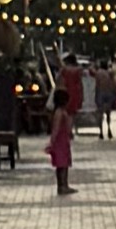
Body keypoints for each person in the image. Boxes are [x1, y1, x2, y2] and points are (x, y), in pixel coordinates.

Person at [47, 65, 79, 197]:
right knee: (63, 165)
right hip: (60, 143)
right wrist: (52, 141)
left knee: (61, 165)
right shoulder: (60, 113)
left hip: (62, 141)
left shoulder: (59, 112)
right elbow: (56, 128)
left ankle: (62, 185)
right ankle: (63, 185)